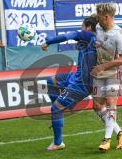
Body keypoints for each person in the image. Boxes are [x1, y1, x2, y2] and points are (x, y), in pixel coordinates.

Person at [41, 15, 98, 151]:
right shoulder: (96, 39)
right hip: (76, 76)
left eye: (82, 26)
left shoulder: (88, 35)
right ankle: (60, 112)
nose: (81, 29)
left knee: (55, 108)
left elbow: (68, 36)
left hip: (82, 83)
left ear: (89, 27)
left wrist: (48, 41)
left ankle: (58, 142)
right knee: (50, 81)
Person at [90, 3, 122, 151]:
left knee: (110, 103)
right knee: (97, 106)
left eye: (99, 17)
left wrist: (104, 66)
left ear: (106, 17)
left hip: (113, 72)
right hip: (99, 72)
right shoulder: (98, 26)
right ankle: (121, 133)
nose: (98, 20)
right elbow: (89, 22)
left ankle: (106, 140)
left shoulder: (118, 33)